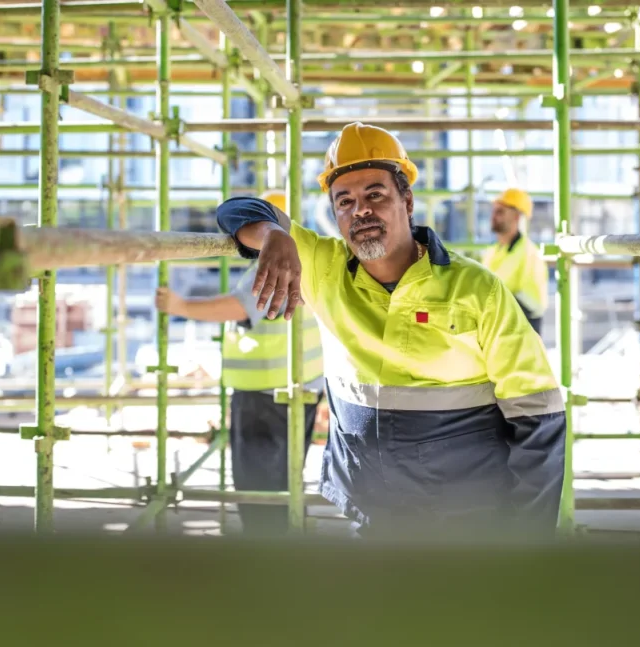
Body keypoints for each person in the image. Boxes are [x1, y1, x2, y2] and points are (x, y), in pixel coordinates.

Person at [213, 122, 566, 542]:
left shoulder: (478, 290)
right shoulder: (324, 269)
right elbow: (234, 211)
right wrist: (275, 234)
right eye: (344, 201)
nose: (360, 210)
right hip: (372, 512)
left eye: (375, 195)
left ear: (408, 200)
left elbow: (539, 415)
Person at [155, 190, 325, 537]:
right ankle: (285, 540)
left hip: (265, 392)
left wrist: (181, 306)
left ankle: (267, 552)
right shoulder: (312, 258)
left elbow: (240, 306)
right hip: (304, 386)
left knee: (259, 487)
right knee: (287, 476)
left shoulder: (272, 263)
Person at [481, 188, 549, 334]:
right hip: (501, 322)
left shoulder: (527, 252)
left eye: (500, 212)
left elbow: (497, 285)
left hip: (523, 326)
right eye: (494, 211)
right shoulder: (494, 250)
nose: (494, 216)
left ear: (516, 217)